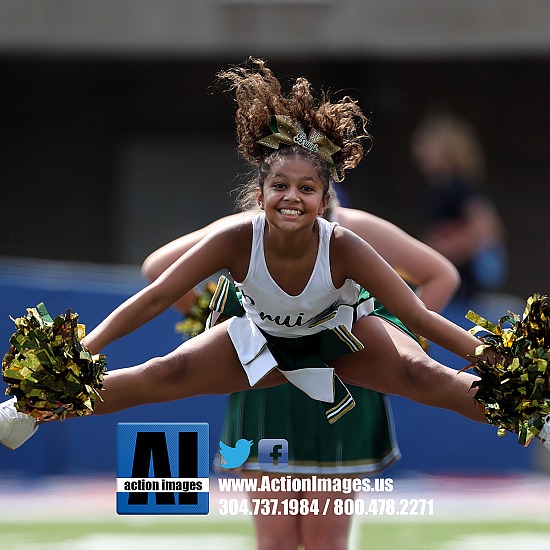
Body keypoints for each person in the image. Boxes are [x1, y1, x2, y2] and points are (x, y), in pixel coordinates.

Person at [1, 58, 547, 466]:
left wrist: (502, 362)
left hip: (345, 339)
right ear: (259, 194)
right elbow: (154, 296)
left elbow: (422, 317)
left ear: (325, 197)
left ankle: (538, 414)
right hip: (260, 345)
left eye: (308, 188)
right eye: (280, 185)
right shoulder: (237, 239)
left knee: (423, 374)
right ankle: (32, 407)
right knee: (161, 373)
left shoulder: (346, 244)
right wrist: (75, 355)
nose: (293, 197)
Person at [141, 196, 461, 550]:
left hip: (342, 385)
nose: (293, 193)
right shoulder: (249, 229)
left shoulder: (352, 231)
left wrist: (391, 341)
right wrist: (228, 330)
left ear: (325, 185)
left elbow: (441, 275)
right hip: (269, 383)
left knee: (326, 541)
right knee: (275, 541)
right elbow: (158, 267)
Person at [410, 113, 508, 299]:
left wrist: (441, 251)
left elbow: (488, 228)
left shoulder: (458, 186)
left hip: (461, 291)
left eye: (426, 144)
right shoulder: (439, 187)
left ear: (447, 148)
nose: (417, 151)